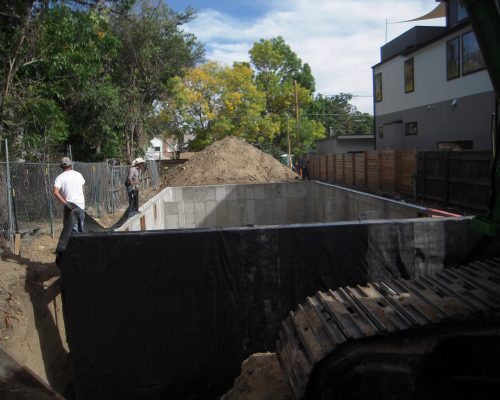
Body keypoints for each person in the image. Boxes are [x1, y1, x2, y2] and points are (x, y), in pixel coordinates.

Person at [53, 156, 85, 232]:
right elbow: (83, 188)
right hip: (81, 205)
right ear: (70, 165)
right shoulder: (78, 174)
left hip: (70, 207)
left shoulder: (60, 178)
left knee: (71, 231)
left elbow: (55, 192)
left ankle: (74, 244)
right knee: (81, 229)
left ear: (61, 166)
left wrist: (65, 203)